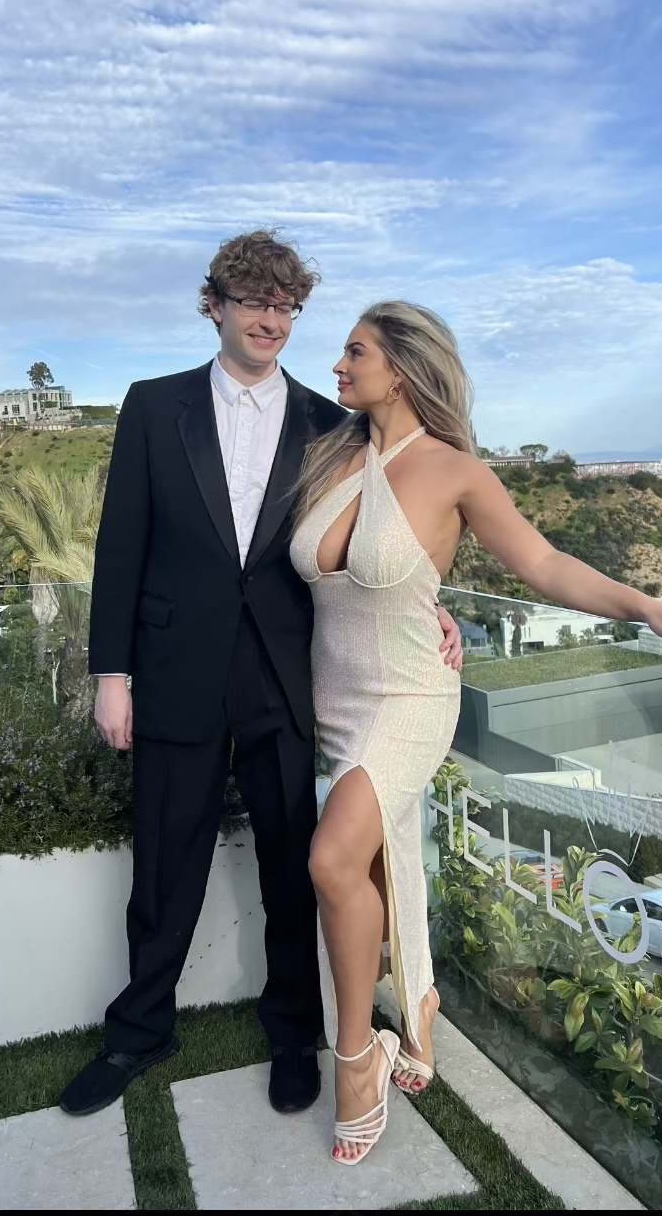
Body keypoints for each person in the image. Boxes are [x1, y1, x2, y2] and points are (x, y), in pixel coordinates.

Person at [290, 300, 662, 1165]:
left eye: (354, 351)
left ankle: (356, 1058)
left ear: (401, 368)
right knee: (372, 863)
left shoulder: (455, 470)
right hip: (333, 703)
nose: (337, 365)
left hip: (411, 697)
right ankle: (418, 1002)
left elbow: (543, 563)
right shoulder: (329, 454)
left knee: (331, 860)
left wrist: (648, 608)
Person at [59, 232, 463, 1118]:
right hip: (174, 668)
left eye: (286, 305)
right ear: (216, 305)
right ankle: (139, 1031)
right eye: (254, 301)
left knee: (291, 866)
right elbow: (121, 546)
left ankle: (294, 1035)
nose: (271, 319)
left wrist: (433, 606)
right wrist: (111, 674)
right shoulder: (152, 405)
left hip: (287, 675)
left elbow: (388, 530)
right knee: (165, 862)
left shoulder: (331, 421)